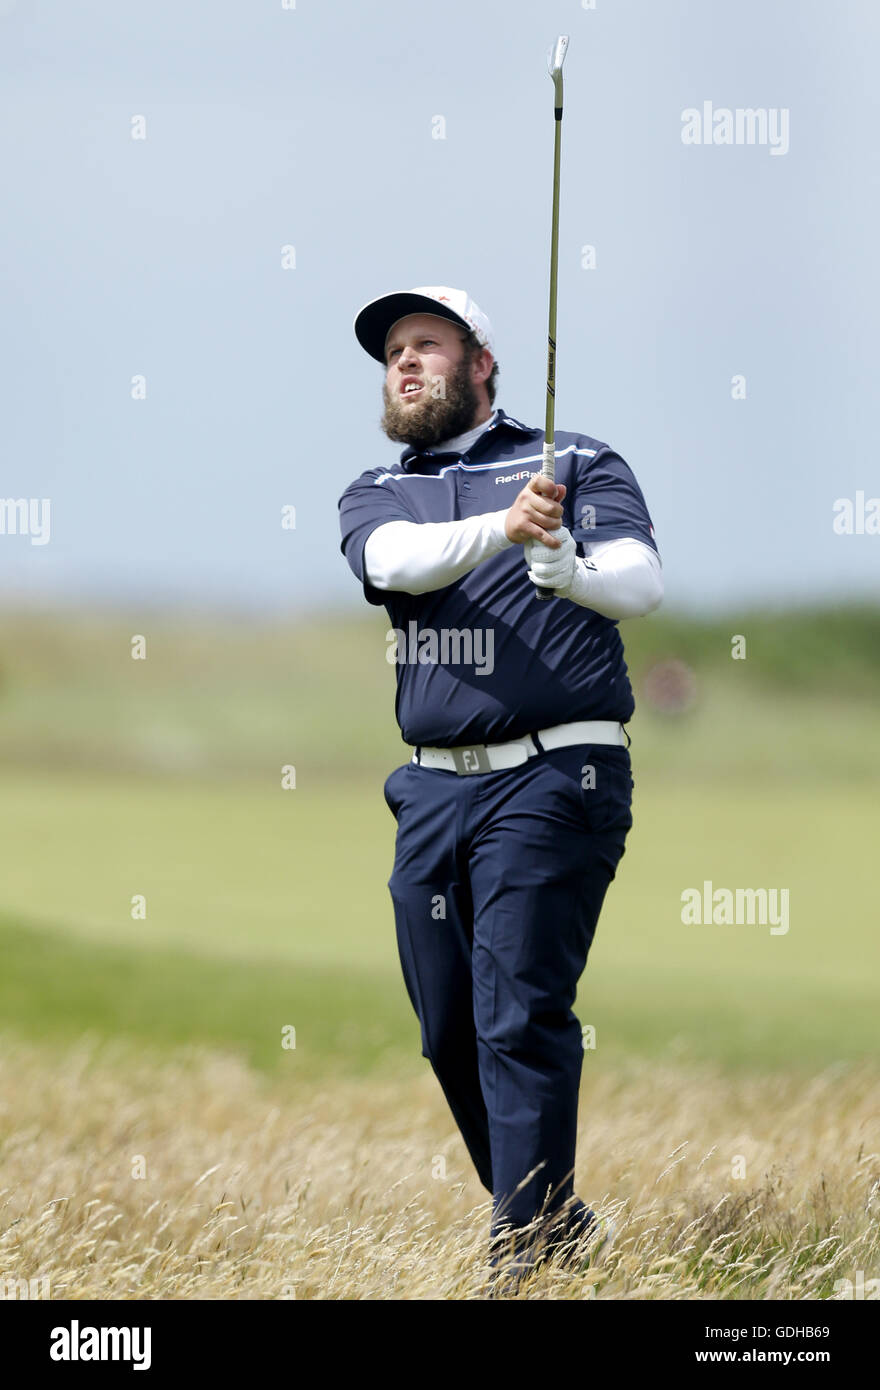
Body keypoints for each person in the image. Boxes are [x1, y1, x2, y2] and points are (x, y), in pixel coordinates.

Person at [337, 285, 663, 1283]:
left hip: (557, 769)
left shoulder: (575, 459)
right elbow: (399, 566)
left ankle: (519, 1258)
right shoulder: (377, 492)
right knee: (447, 1027)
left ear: (481, 363)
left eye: (426, 344)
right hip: (432, 791)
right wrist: (504, 529)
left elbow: (640, 583)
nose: (404, 362)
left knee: (516, 1013)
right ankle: (555, 1219)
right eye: (393, 349)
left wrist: (568, 566)